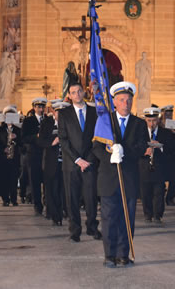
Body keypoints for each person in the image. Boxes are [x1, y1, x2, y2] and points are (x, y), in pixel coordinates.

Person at [92, 82, 147, 268]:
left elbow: (142, 147)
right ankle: (109, 255)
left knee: (127, 219)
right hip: (108, 179)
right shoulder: (105, 122)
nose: (126, 103)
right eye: (122, 100)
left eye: (129, 100)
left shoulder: (139, 123)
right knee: (108, 220)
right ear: (114, 102)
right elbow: (96, 148)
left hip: (129, 179)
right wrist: (110, 156)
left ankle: (123, 255)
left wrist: (124, 151)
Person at [58, 83, 101, 241]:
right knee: (72, 199)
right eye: (73, 92)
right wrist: (77, 160)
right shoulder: (64, 114)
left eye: (79, 91)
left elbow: (97, 138)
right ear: (69, 95)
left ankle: (92, 227)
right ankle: (75, 230)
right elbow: (63, 139)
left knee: (90, 198)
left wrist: (87, 160)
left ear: (84, 92)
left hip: (89, 163)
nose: (76, 94)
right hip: (71, 164)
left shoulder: (94, 112)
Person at [139, 107, 175, 224]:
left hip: (159, 167)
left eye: (154, 121)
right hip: (145, 167)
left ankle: (157, 215)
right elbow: (135, 148)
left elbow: (171, 149)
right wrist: (145, 151)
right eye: (149, 121)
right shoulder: (141, 133)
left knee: (159, 192)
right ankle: (147, 214)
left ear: (158, 120)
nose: (152, 124)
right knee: (146, 192)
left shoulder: (166, 133)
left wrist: (160, 146)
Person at [40, 101, 68, 226]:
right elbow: (40, 140)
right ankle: (54, 214)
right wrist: (52, 142)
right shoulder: (47, 124)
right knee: (52, 189)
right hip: (51, 162)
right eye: (58, 112)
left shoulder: (70, 124)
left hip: (66, 163)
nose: (60, 115)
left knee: (64, 189)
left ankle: (64, 210)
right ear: (54, 112)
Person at [0, 105, 22, 206]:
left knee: (13, 179)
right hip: (2, 158)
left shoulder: (17, 130)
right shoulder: (0, 129)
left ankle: (13, 199)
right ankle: (5, 199)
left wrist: (16, 138)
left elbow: (23, 142)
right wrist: (2, 148)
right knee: (4, 179)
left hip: (14, 158)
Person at [21, 97, 48, 215]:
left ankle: (48, 203)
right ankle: (37, 204)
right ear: (34, 108)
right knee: (35, 181)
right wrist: (35, 137)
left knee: (47, 181)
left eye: (42, 107)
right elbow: (24, 138)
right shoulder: (28, 121)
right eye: (38, 107)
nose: (40, 109)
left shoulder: (48, 120)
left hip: (46, 154)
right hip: (34, 154)